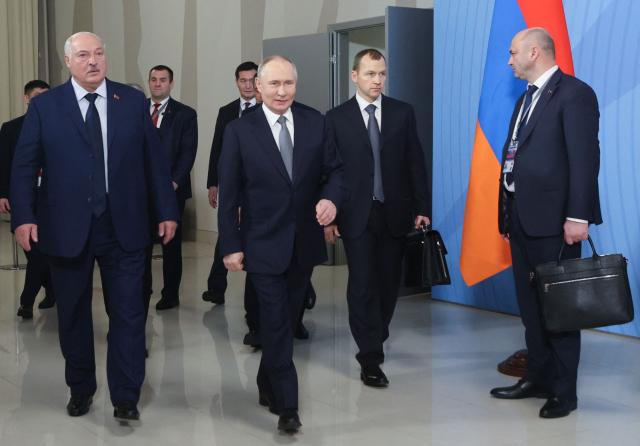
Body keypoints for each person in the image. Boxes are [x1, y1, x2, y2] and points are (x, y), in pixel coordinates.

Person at [10, 31, 179, 422]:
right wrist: (24, 216)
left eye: (99, 53)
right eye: (83, 55)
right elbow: (23, 165)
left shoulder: (132, 101)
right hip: (66, 228)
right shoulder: (46, 107)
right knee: (73, 314)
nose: (93, 61)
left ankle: (125, 395)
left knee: (129, 314)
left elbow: (154, 162)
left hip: (125, 227)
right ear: (68, 62)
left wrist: (166, 210)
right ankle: (81, 387)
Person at [218, 55, 344, 434]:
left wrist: (331, 199)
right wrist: (230, 244)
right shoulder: (241, 131)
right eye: (273, 84)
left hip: (302, 243)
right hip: (260, 244)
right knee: (274, 320)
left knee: (285, 322)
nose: (282, 91)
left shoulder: (314, 122)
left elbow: (335, 170)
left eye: (288, 83)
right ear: (258, 87)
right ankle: (288, 406)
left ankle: (265, 381)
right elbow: (230, 194)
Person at [490, 28, 601, 419]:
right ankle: (537, 377)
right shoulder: (525, 98)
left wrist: (578, 216)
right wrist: (507, 213)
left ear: (534, 52)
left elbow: (584, 161)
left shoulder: (575, 94)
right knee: (530, 308)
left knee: (560, 311)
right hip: (521, 220)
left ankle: (564, 393)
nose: (509, 60)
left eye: (512, 52)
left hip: (557, 224)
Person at [324, 48, 430, 389]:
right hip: (355, 216)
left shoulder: (402, 113)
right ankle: (369, 356)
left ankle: (377, 330)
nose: (377, 80)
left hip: (395, 214)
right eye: (370, 74)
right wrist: (330, 214)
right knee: (362, 284)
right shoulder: (336, 118)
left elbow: (416, 162)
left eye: (382, 73)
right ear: (354, 75)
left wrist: (422, 207)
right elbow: (329, 170)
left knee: (387, 285)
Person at [144, 64, 198, 311]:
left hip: (172, 190)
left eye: (162, 80)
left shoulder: (185, 114)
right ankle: (143, 289)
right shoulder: (136, 110)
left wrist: (171, 184)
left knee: (171, 246)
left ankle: (170, 294)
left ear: (171, 83)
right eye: (154, 79)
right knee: (141, 243)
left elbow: (188, 154)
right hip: (140, 192)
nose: (157, 84)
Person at [0, 80, 56, 319]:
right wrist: (3, 193)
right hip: (23, 199)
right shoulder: (12, 128)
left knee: (44, 253)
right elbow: (3, 163)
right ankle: (41, 294)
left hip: (53, 200)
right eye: (36, 96)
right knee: (34, 253)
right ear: (26, 99)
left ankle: (29, 301)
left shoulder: (58, 125)